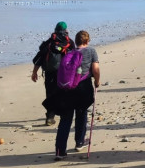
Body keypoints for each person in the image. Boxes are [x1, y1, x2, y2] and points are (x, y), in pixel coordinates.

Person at [47, 30, 100, 160]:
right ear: (87, 41)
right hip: (83, 87)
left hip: (67, 89)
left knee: (65, 119)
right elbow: (95, 69)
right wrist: (97, 82)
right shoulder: (91, 51)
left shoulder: (69, 53)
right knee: (81, 114)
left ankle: (60, 150)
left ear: (75, 41)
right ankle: (79, 142)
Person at [31, 21, 74, 126]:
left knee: (50, 94)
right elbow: (75, 58)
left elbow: (39, 59)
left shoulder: (49, 42)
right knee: (64, 93)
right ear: (66, 30)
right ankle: (65, 114)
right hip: (64, 73)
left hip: (50, 72)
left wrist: (34, 72)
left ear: (55, 30)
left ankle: (50, 117)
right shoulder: (70, 43)